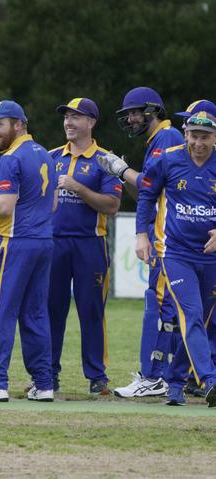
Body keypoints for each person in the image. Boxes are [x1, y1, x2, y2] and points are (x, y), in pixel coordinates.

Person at [97, 87, 184, 399]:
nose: (131, 118)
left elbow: (150, 185)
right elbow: (148, 193)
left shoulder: (167, 138)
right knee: (168, 309)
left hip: (169, 239)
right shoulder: (158, 140)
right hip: (169, 236)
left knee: (158, 306)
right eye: (128, 114)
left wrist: (122, 170)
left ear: (153, 110)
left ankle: (153, 375)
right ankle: (171, 376)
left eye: (136, 112)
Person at [0, 100, 55, 402]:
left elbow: (4, 207)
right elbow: (52, 204)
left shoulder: (10, 158)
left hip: (14, 243)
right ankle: (43, 383)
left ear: (19, 125)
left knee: (1, 313)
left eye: (0, 123)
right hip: (44, 242)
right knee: (35, 314)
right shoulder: (45, 154)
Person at [135, 110, 216, 407]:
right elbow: (146, 195)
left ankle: (175, 382)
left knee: (198, 322)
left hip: (211, 257)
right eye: (194, 135)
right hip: (176, 254)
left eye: (205, 137)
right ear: (185, 134)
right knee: (191, 313)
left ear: (215, 137)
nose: (198, 142)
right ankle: (210, 380)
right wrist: (141, 234)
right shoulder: (168, 159)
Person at [48, 98, 121, 395]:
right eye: (66, 116)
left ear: (91, 123)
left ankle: (97, 377)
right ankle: (46, 375)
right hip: (53, 245)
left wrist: (77, 187)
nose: (68, 122)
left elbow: (113, 205)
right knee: (51, 310)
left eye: (76, 117)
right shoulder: (50, 156)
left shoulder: (106, 159)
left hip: (90, 245)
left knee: (91, 311)